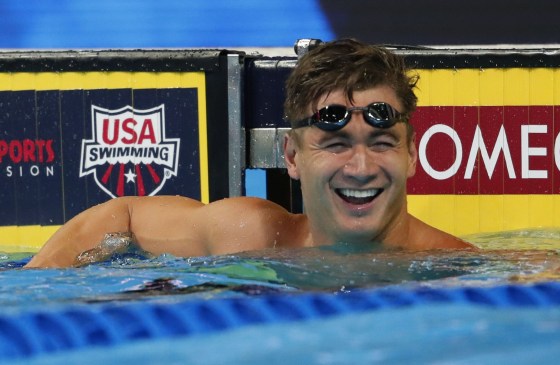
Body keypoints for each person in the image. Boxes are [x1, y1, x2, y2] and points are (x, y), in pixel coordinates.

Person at [25, 39, 473, 268]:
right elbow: (122, 215)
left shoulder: (456, 269)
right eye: (335, 145)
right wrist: (35, 286)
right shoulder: (250, 236)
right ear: (292, 157)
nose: (361, 169)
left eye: (381, 143)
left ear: (412, 153)